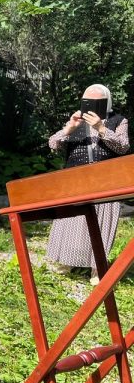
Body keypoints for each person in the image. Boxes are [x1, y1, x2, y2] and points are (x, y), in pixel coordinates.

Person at [46, 84, 129, 285]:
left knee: (102, 223)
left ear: (106, 103)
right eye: (87, 101)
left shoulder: (119, 121)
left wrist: (101, 128)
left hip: (107, 181)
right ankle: (66, 262)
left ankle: (96, 269)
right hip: (76, 179)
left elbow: (123, 147)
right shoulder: (77, 120)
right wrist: (69, 128)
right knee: (70, 222)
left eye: (96, 102)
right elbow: (53, 144)